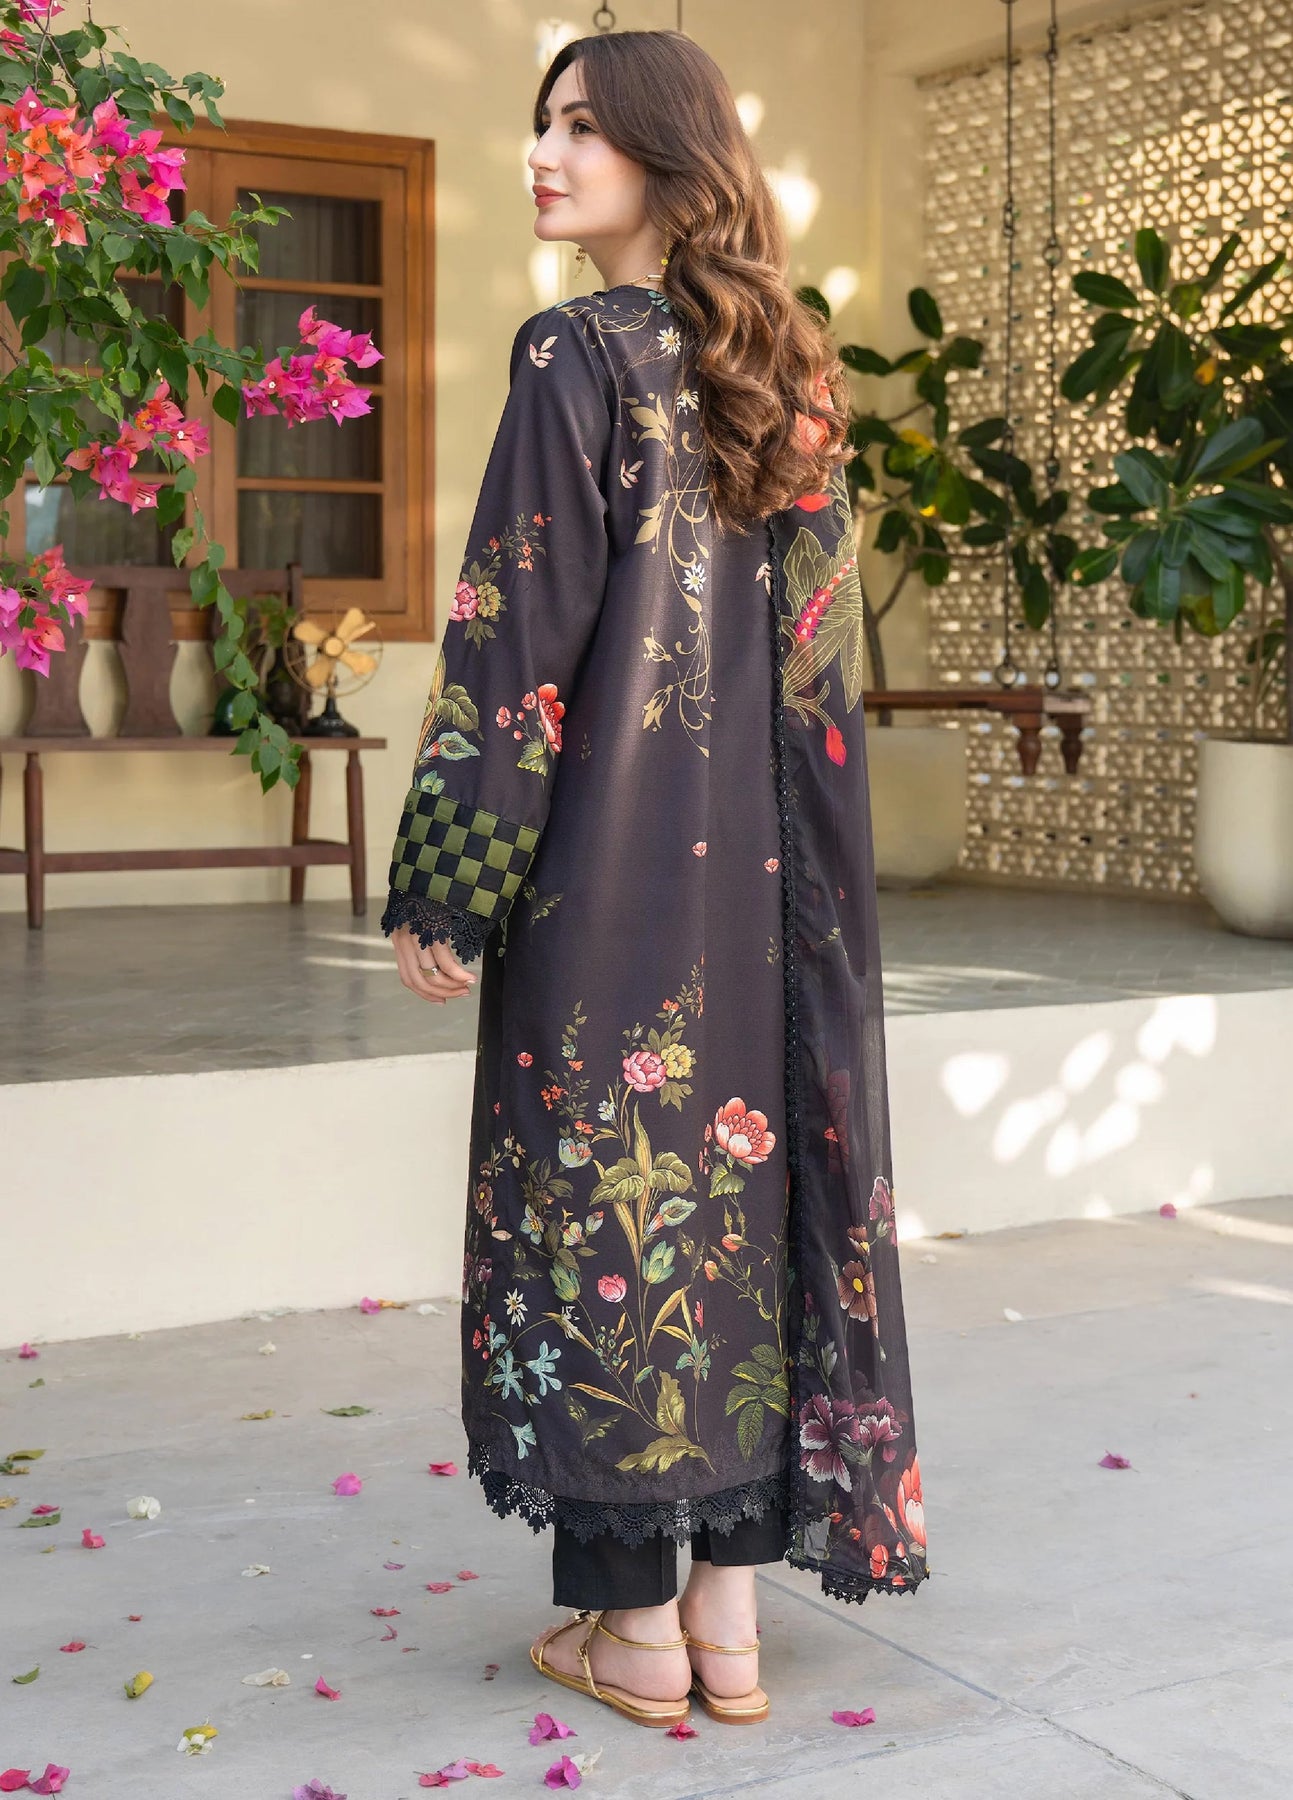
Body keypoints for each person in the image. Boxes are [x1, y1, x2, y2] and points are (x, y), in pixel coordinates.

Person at [383, 27, 928, 1730]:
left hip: (605, 888)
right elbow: (821, 670)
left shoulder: (576, 353)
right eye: (540, 125)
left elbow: (513, 639)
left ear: (668, 159)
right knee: (745, 1203)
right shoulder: (790, 364)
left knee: (602, 1210)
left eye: (582, 130)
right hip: (773, 900)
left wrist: (451, 876)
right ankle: (727, 1628)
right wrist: (821, 909)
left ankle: (630, 1630)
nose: (543, 156)